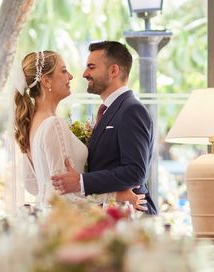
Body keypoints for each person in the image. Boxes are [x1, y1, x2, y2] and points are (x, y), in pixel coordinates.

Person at [13, 50, 146, 209]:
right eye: (63, 71)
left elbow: (33, 186)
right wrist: (117, 196)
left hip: (49, 216)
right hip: (67, 220)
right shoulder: (53, 124)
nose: (70, 76)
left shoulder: (29, 125)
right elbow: (68, 196)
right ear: (46, 81)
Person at [51, 41, 157, 214]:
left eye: (91, 67)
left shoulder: (131, 109)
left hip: (131, 216)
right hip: (110, 213)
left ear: (114, 71)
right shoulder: (111, 110)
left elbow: (135, 171)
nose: (85, 74)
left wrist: (81, 181)